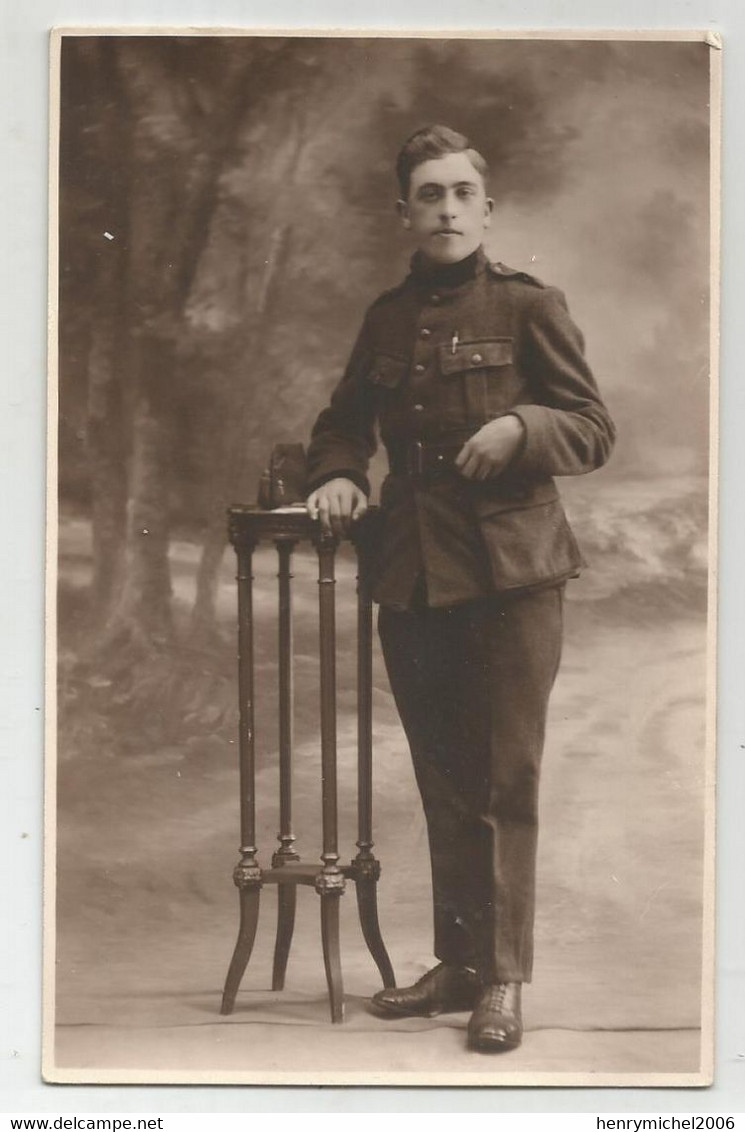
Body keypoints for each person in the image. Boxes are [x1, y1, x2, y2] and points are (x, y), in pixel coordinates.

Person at [305, 125, 615, 1054]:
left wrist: (522, 428)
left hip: (513, 576)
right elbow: (339, 423)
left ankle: (506, 981)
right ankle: (458, 962)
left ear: (486, 207)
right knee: (443, 780)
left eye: (461, 194)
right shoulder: (386, 317)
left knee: (504, 779)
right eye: (428, 194)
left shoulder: (529, 306)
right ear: (403, 208)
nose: (445, 209)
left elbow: (592, 427)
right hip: (413, 575)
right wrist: (339, 473)